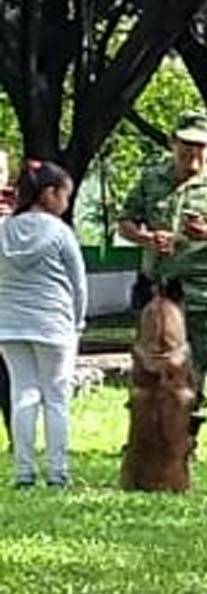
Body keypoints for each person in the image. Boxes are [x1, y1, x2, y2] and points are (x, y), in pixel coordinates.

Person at [116, 112, 207, 427]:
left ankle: (186, 438)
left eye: (201, 147)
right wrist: (146, 238)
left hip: (201, 295)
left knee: (195, 370)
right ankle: (146, 434)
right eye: (187, 145)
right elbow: (125, 221)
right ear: (173, 143)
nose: (194, 153)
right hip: (156, 291)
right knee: (148, 366)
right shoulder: (151, 179)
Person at [0, 160, 86, 489]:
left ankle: (23, 472)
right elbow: (78, 284)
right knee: (55, 397)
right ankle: (57, 472)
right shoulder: (60, 232)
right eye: (65, 195)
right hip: (54, 323)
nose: (66, 203)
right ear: (49, 194)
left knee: (23, 393)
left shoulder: (3, 229)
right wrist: (78, 321)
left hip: (8, 323)